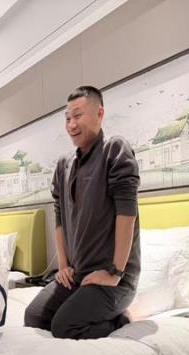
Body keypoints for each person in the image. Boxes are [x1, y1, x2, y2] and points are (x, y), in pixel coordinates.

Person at [24, 85, 140, 339]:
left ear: (100, 114)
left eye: (78, 116)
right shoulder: (64, 164)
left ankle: (121, 320)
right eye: (67, 118)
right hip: (78, 275)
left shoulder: (114, 150)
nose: (71, 125)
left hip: (116, 281)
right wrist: (63, 265)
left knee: (64, 326)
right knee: (33, 317)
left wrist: (115, 273)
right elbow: (59, 215)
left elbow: (127, 214)